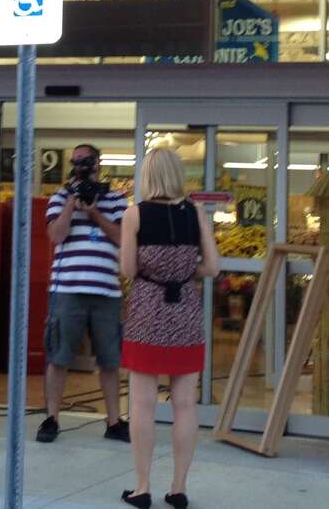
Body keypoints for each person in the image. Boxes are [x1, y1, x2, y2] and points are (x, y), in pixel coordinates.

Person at [118, 149, 221, 509]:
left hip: (148, 310)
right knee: (185, 405)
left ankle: (142, 487)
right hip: (186, 314)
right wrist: (183, 272)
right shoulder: (195, 213)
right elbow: (212, 266)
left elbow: (129, 269)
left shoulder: (135, 214)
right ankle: (178, 489)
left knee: (142, 404)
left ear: (148, 175)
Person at [36, 144, 131, 445]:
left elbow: (122, 238)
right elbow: (56, 235)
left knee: (110, 360)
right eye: (76, 162)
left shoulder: (116, 199)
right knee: (59, 356)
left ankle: (114, 421)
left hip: (106, 292)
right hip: (67, 289)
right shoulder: (59, 197)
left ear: (98, 164)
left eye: (86, 161)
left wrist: (94, 214)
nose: (81, 166)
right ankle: (51, 418)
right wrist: (71, 202)